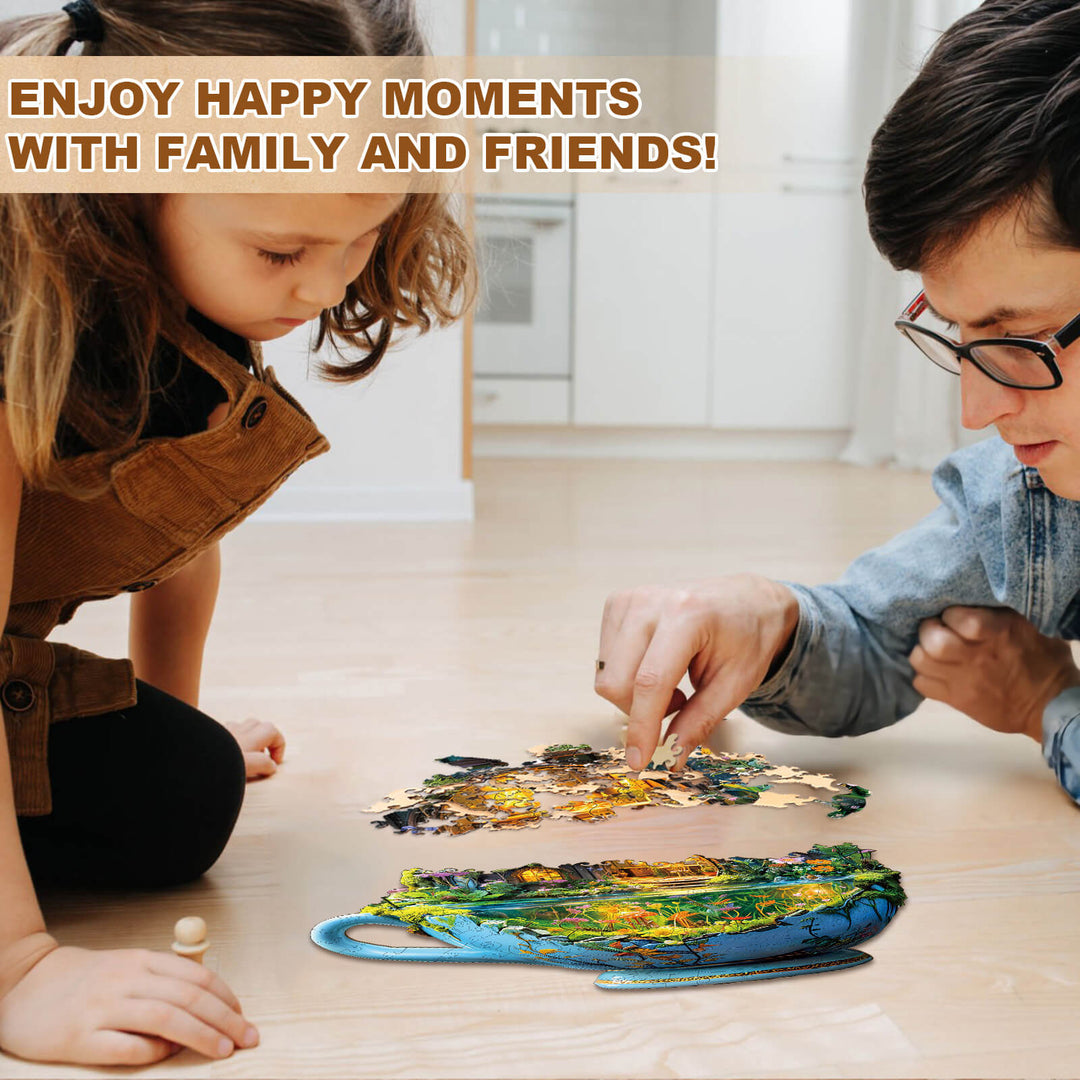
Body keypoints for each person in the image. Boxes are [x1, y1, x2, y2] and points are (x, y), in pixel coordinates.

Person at [0, 0, 472, 1068]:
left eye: (364, 240)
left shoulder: (170, 284)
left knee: (185, 793)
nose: (325, 286)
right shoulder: (11, 302)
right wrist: (19, 966)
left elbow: (175, 516)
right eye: (281, 250)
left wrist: (170, 718)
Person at [596, 0, 1080, 809]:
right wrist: (769, 622)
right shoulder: (1026, 499)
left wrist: (1044, 706)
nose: (977, 411)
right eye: (959, 337)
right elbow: (877, 635)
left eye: (1018, 338)